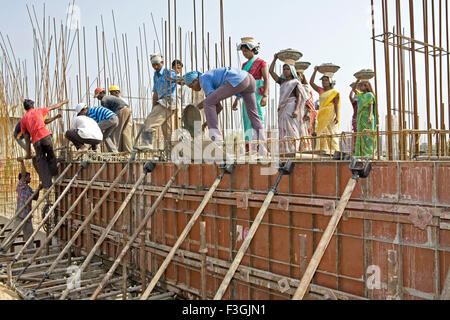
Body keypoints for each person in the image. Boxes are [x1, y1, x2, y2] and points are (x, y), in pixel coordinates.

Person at [184, 67, 267, 155]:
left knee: (208, 103)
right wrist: (204, 125)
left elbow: (208, 102)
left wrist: (194, 108)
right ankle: (263, 148)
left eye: (191, 86)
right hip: (249, 79)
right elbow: (218, 107)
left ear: (196, 80)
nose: (192, 89)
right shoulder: (208, 77)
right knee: (253, 115)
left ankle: (217, 141)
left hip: (239, 80)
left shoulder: (203, 79)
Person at [135, 53, 180, 151]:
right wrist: (153, 106)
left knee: (150, 122)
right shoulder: (156, 75)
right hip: (162, 102)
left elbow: (179, 79)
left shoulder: (169, 72)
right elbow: (155, 93)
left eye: (157, 64)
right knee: (168, 130)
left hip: (168, 102)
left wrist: (178, 79)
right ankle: (172, 151)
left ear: (162, 63)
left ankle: (147, 143)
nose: (155, 66)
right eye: (153, 65)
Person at [20, 99, 68, 189]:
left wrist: (28, 153)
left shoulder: (23, 119)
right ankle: (55, 175)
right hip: (45, 137)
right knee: (51, 156)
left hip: (36, 141)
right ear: (33, 106)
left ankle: (47, 184)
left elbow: (26, 138)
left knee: (41, 162)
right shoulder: (39, 111)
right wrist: (63, 102)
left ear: (25, 109)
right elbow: (53, 106)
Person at [233, 38, 269, 149]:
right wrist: (237, 99)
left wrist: (265, 96)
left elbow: (266, 79)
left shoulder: (261, 62)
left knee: (258, 116)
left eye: (246, 51)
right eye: (243, 51)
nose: (244, 53)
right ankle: (250, 146)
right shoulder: (244, 65)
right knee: (247, 118)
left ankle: (260, 144)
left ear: (252, 50)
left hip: (258, 93)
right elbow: (241, 82)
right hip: (246, 93)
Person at [269, 55, 304, 154]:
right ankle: (284, 150)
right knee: (282, 128)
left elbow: (299, 97)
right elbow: (271, 72)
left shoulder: (295, 82)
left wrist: (297, 110)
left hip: (291, 106)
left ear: (292, 70)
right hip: (282, 108)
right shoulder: (282, 82)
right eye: (284, 69)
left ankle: (293, 149)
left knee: (292, 128)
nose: (285, 71)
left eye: (287, 69)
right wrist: (274, 59)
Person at [310, 67, 341, 154]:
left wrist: (337, 116)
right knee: (322, 134)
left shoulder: (334, 92)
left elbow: (336, 105)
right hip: (321, 115)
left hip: (331, 115)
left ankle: (335, 152)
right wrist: (315, 71)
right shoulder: (320, 90)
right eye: (322, 80)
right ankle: (322, 152)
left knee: (332, 133)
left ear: (330, 81)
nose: (324, 82)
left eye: (326, 80)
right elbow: (311, 82)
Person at [94, 86, 132, 153]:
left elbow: (107, 114)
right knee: (121, 131)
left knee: (115, 132)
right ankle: (120, 150)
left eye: (97, 96)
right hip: (127, 110)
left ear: (101, 93)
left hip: (120, 111)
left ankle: (114, 151)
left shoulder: (104, 100)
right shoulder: (110, 98)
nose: (97, 98)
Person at [11, 158, 40, 243]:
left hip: (27, 216)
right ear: (24, 178)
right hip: (21, 215)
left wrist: (38, 189)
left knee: (29, 236)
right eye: (28, 177)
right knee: (14, 233)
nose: (30, 178)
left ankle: (30, 252)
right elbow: (23, 174)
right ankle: (3, 248)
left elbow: (35, 198)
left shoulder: (28, 188)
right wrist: (22, 162)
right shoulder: (21, 186)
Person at [352, 80, 377, 157]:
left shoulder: (370, 95)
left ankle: (369, 153)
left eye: (361, 86)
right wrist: (357, 80)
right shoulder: (360, 95)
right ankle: (360, 153)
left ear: (366, 86)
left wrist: (369, 116)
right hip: (361, 118)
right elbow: (353, 89)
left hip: (368, 118)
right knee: (361, 135)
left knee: (368, 135)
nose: (359, 87)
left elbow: (371, 107)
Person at [349, 82, 362, 152]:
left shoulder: (364, 100)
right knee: (357, 135)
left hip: (362, 119)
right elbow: (350, 97)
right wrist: (352, 89)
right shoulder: (355, 103)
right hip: (356, 119)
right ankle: (356, 150)